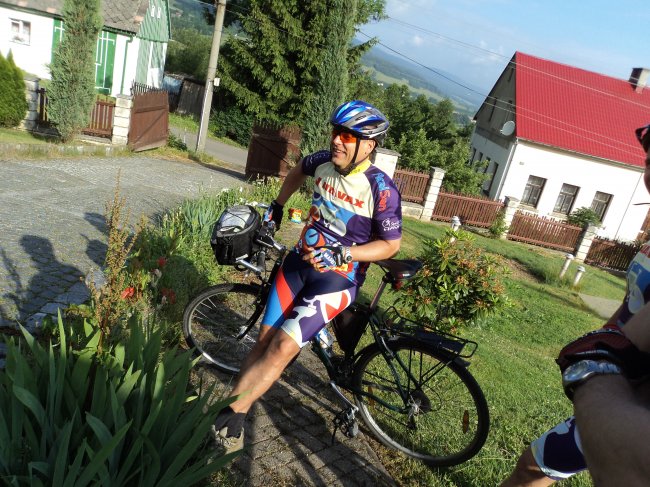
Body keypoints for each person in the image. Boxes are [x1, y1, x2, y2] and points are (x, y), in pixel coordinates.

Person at [212, 100, 403, 455]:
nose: (337, 140)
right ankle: (232, 410)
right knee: (263, 343)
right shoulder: (322, 162)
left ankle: (228, 421)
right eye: (336, 132)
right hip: (297, 267)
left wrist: (345, 253)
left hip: (336, 281)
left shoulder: (381, 188)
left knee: (282, 348)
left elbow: (391, 245)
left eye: (348, 136)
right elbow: (297, 170)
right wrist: (277, 206)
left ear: (369, 145)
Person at [501, 123, 650, 486]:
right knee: (532, 466)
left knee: (534, 467)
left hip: (634, 410)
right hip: (621, 389)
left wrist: (594, 361)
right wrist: (605, 340)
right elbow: (632, 304)